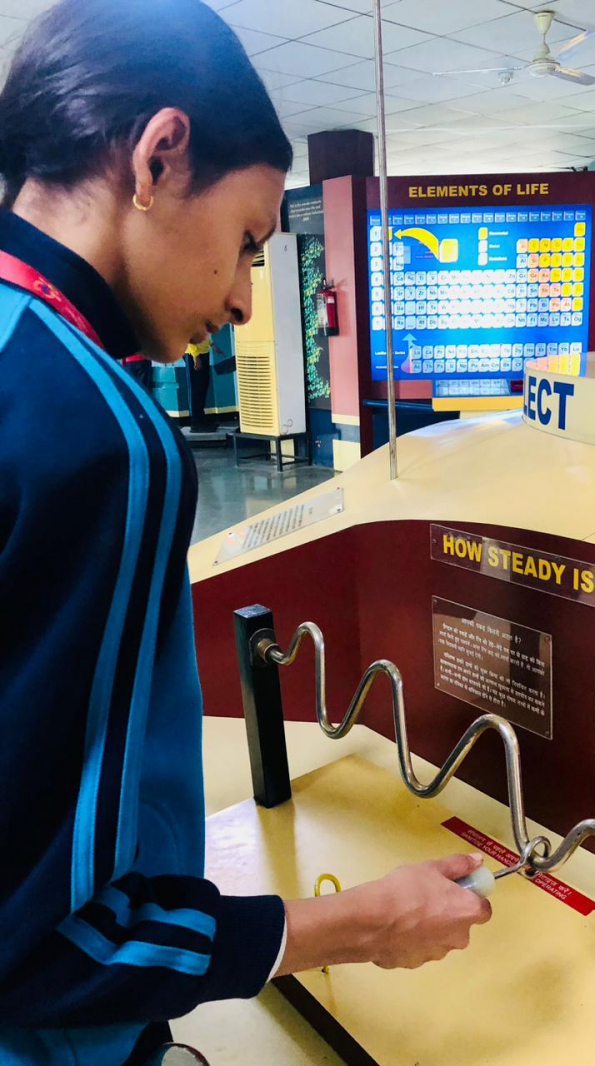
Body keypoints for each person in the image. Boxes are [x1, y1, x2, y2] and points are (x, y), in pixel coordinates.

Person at [0, 2, 491, 1064]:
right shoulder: (98, 437)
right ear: (158, 156)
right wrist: (360, 925)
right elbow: (44, 941)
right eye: (248, 243)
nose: (240, 299)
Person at [185, 333, 222, 432]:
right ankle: (196, 423)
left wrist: (211, 344)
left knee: (203, 387)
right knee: (196, 389)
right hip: (194, 355)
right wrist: (195, 356)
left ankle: (202, 419)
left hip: (203, 352)